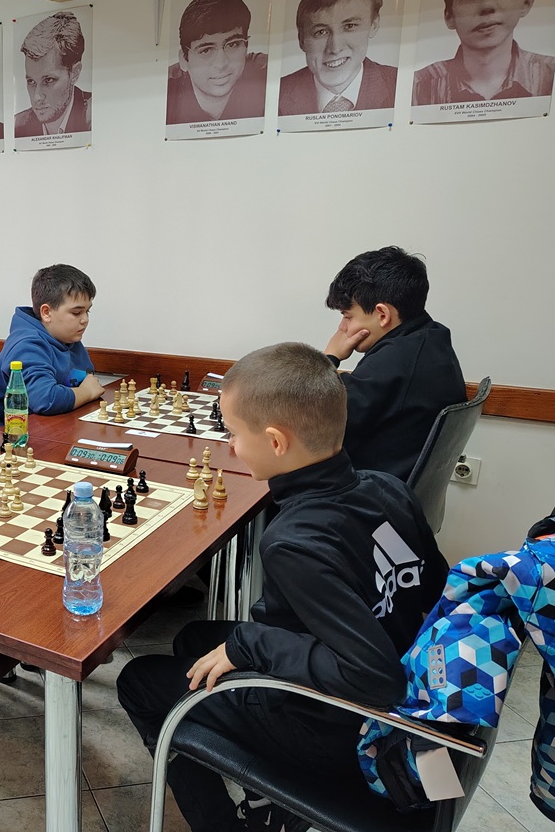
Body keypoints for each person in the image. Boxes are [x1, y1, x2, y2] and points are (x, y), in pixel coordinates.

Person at [117, 342, 448, 832]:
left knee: (139, 680)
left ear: (275, 442)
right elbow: (437, 591)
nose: (231, 446)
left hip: (338, 724)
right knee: (193, 639)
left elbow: (374, 676)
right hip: (408, 677)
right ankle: (264, 799)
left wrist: (252, 643)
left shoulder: (294, 542)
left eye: (234, 434)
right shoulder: (388, 487)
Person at [323, 246, 466, 481]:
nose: (342, 327)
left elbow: (311, 420)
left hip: (367, 494)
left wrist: (329, 358)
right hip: (392, 490)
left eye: (348, 316)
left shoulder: (394, 363)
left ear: (382, 314)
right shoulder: (431, 339)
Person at [414, 0, 555, 104]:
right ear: (449, 16)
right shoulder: (417, 86)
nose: (488, 5)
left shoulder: (550, 74)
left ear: (527, 2)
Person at [0, 264, 105, 428]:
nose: (85, 320)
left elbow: (86, 378)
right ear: (46, 312)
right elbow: (45, 399)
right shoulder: (26, 345)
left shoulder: (67, 338)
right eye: (76, 313)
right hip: (8, 434)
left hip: (53, 425)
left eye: (87, 311)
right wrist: (86, 392)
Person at [279, 0, 397, 115]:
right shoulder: (274, 95)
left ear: (373, 25)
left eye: (350, 26)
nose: (335, 48)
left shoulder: (403, 85)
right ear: (301, 39)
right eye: (321, 32)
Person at [167, 0, 268, 124]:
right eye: (206, 50)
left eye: (232, 45)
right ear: (184, 60)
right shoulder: (164, 90)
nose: (221, 64)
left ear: (246, 46)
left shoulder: (268, 74)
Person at [14, 11, 92, 137]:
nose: (37, 97)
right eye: (31, 82)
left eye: (48, 80)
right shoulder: (17, 125)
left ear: (75, 73)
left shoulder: (96, 116)